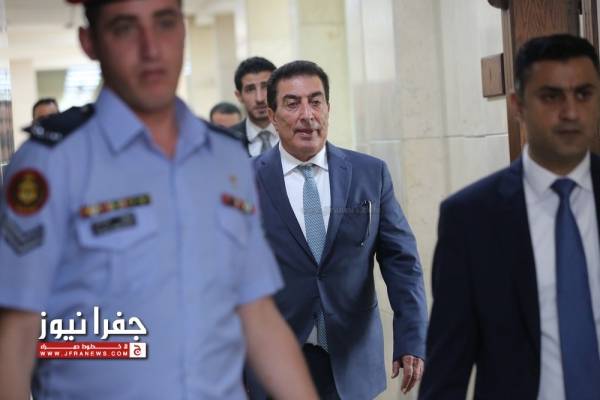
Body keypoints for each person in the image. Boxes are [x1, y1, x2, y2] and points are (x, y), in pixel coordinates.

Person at [0, 1, 318, 399]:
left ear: (182, 30)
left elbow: (258, 314)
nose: (151, 49)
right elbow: (15, 336)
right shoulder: (50, 163)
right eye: (125, 28)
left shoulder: (225, 158)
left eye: (165, 23)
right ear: (89, 42)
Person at [419, 34, 600, 400]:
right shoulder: (471, 219)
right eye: (551, 96)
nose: (570, 112)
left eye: (583, 94)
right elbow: (447, 367)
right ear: (518, 106)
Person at [249, 60, 428, 399]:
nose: (307, 115)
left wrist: (411, 336)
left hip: (350, 360)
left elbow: (402, 262)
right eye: (292, 103)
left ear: (328, 109)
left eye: (315, 101)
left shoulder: (369, 174)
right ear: (272, 115)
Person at [231, 57, 277, 156]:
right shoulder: (227, 141)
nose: (259, 98)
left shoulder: (296, 134)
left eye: (265, 87)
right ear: (239, 96)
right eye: (250, 89)